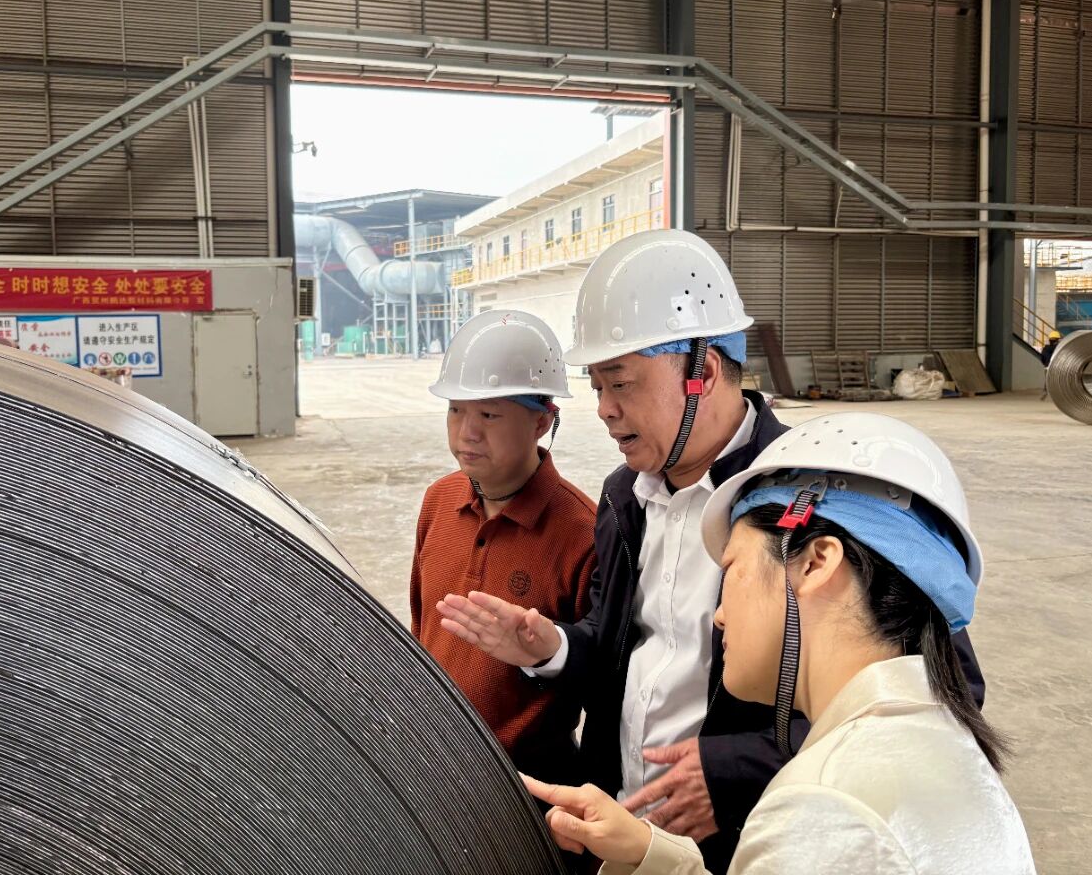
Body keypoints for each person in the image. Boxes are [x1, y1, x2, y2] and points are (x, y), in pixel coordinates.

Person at [439, 230, 986, 867]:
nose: (605, 410)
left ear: (703, 371)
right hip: (621, 825)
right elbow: (624, 653)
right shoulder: (624, 498)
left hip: (742, 840)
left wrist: (735, 770)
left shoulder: (819, 496)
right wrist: (552, 648)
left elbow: (939, 691)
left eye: (622, 384)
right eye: (596, 387)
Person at [523, 412, 1036, 874]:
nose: (719, 615)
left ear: (816, 563)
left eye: (732, 570)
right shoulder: (934, 745)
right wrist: (649, 853)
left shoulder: (823, 804)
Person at [412, 310, 597, 783]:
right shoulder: (439, 500)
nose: (466, 433)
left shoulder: (583, 531)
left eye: (489, 414)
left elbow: (601, 677)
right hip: (431, 764)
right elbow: (421, 627)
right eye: (456, 410)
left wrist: (544, 654)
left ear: (542, 422)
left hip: (525, 783)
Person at [1039, 331, 1061, 401]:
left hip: (1047, 367)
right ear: (1057, 340)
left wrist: (1045, 364)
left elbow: (1042, 358)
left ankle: (1045, 391)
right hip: (1056, 367)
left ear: (1049, 340)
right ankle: (1058, 395)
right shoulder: (1059, 348)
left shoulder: (1045, 348)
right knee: (1058, 380)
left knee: (1047, 380)